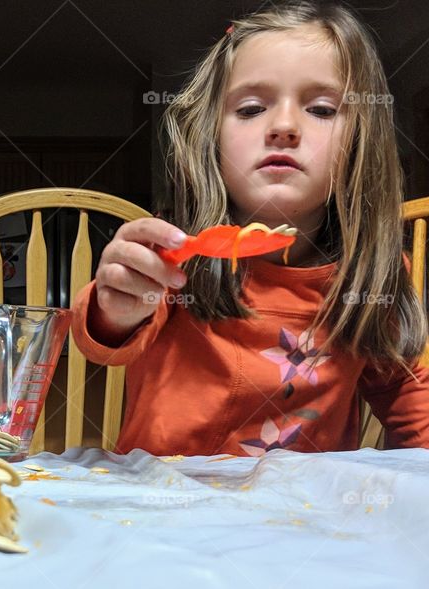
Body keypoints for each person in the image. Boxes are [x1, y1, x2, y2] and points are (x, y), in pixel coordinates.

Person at [71, 1, 429, 455]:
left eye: (320, 110)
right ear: (211, 137)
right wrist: (117, 306)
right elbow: (103, 343)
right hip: (162, 510)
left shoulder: (370, 273)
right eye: (251, 108)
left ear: (361, 142)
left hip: (302, 519)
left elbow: (406, 389)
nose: (282, 126)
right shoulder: (176, 250)